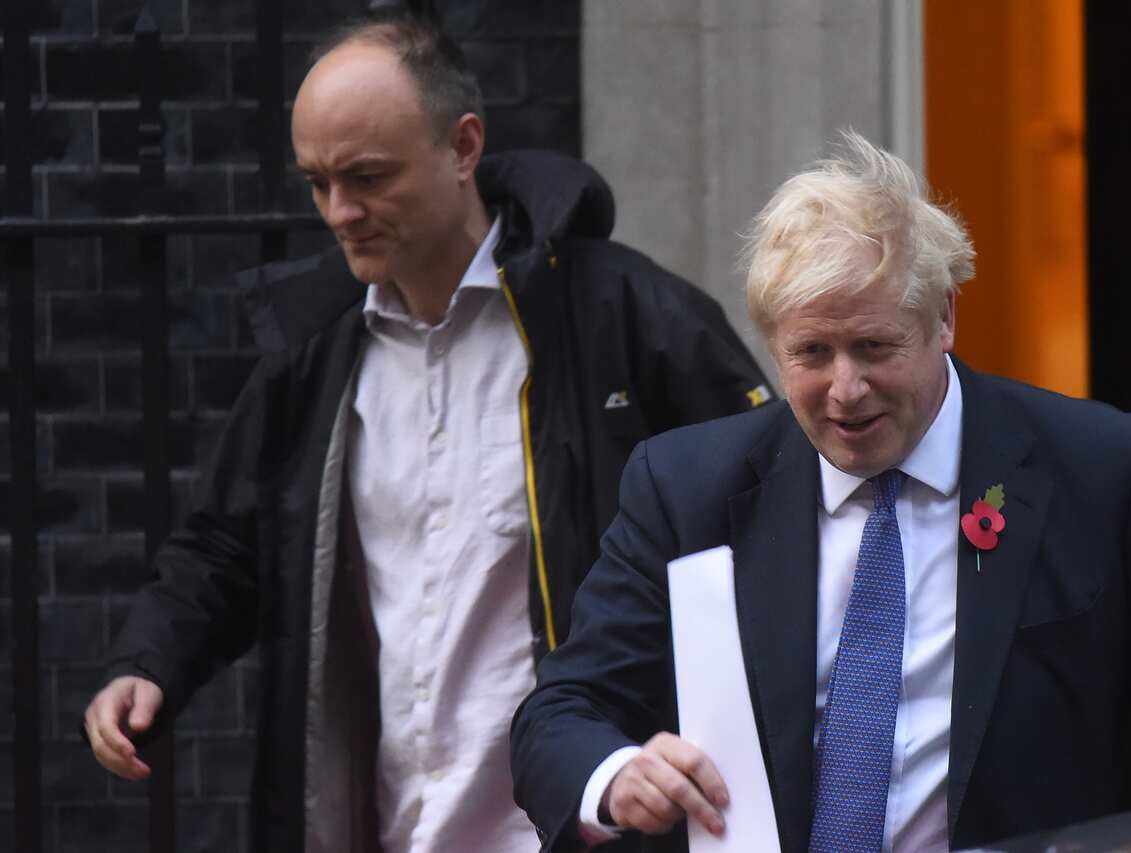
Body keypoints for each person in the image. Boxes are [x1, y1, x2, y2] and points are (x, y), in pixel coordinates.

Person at [81, 12, 771, 853]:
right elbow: (226, 545)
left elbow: (771, 527)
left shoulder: (623, 317)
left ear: (463, 146)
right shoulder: (313, 352)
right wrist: (146, 663)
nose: (341, 211)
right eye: (317, 182)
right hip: (384, 826)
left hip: (575, 829)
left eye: (369, 177)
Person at [509, 129, 1131, 852]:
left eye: (874, 347)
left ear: (943, 318)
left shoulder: (1104, 469)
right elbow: (560, 714)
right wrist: (616, 776)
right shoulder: (686, 487)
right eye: (812, 352)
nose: (846, 389)